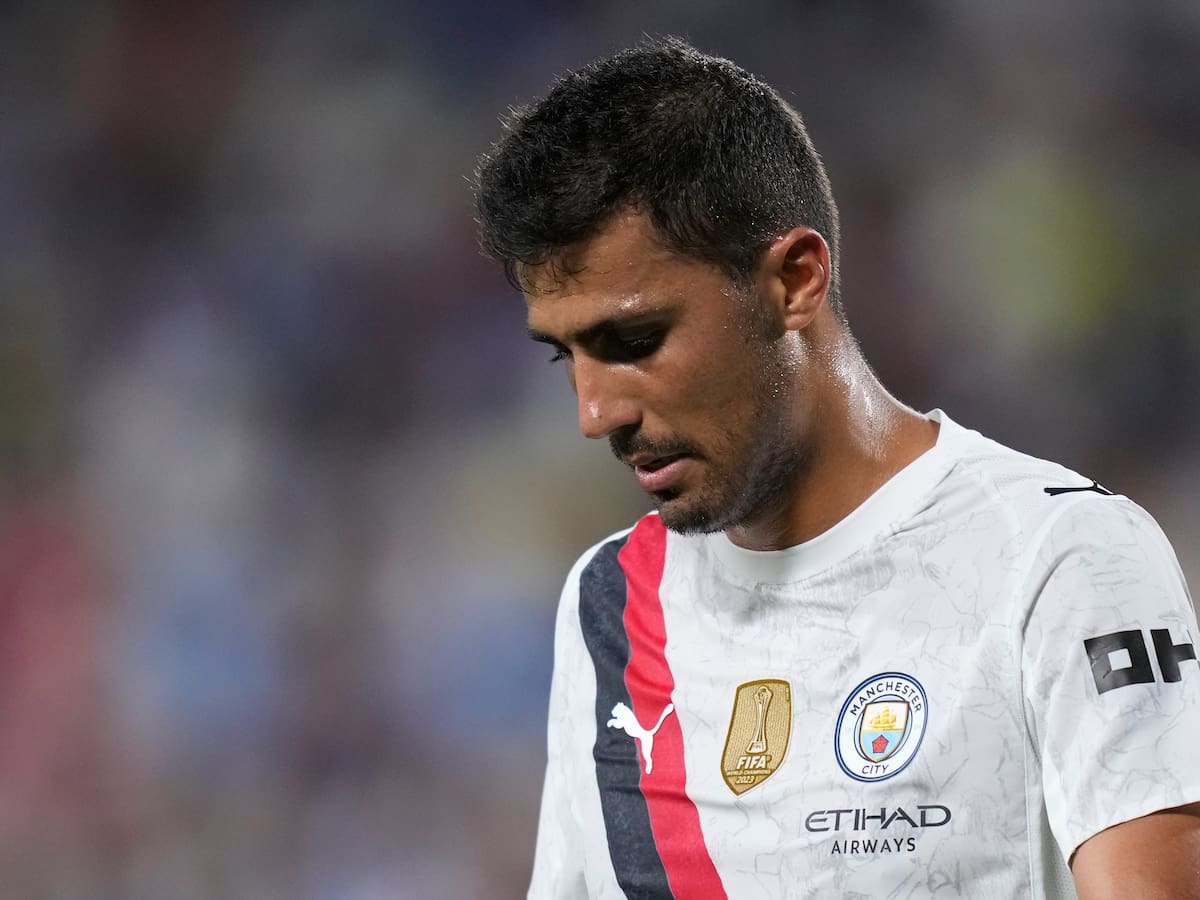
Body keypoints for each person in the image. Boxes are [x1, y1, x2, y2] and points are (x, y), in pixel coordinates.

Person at [474, 37, 1200, 900]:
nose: (596, 415)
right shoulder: (610, 604)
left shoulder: (1060, 558)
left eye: (635, 341)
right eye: (566, 357)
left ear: (795, 280)